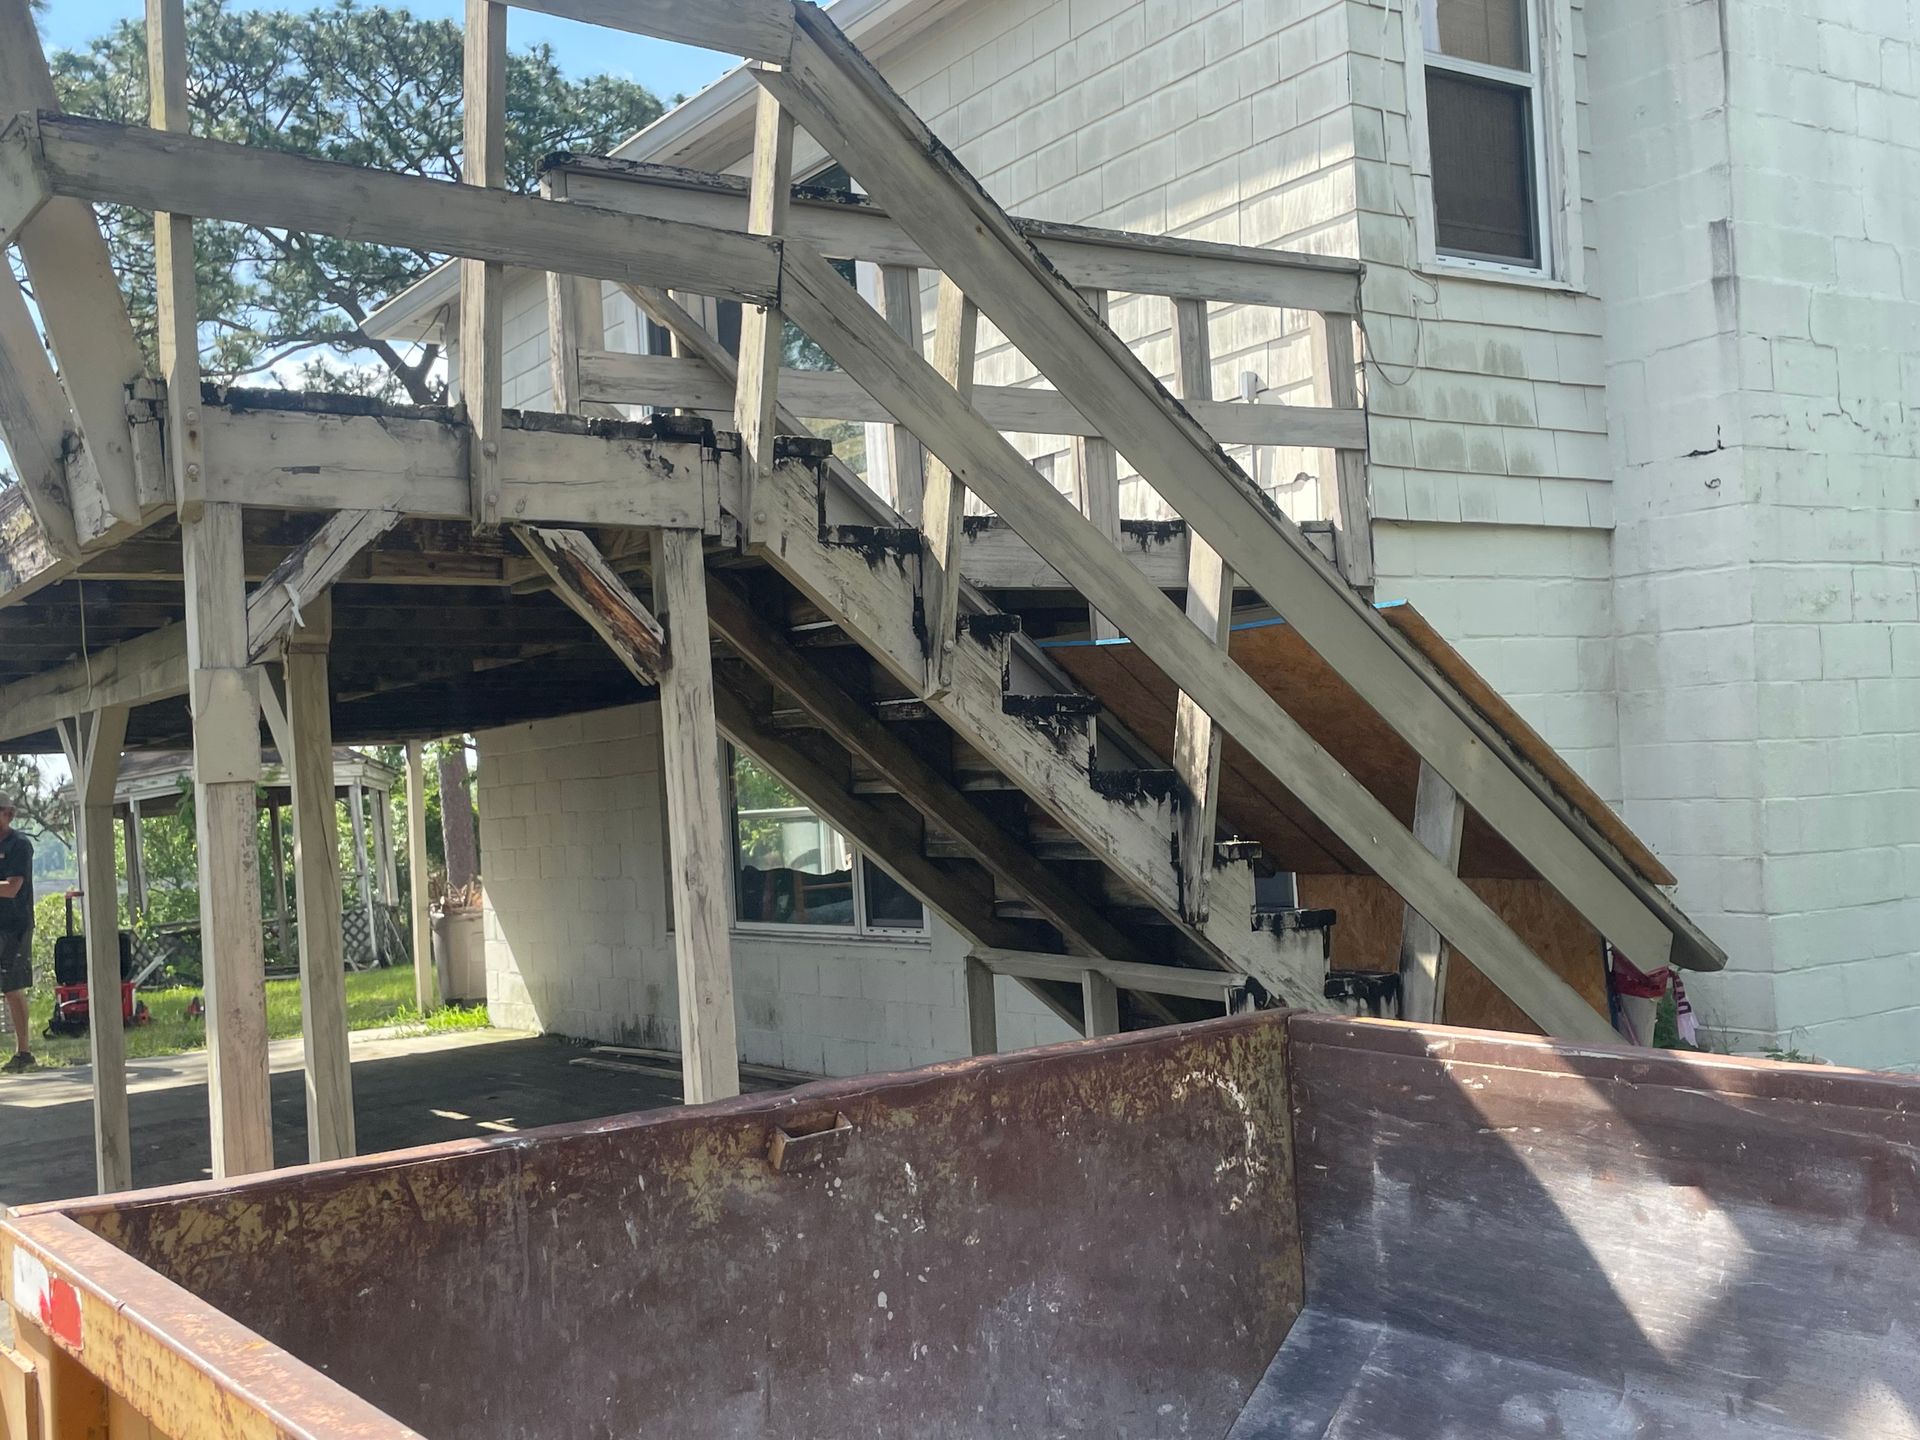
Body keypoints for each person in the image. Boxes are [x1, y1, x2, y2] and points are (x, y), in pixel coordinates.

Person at [0, 792, 35, 1072]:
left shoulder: (19, 845)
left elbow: (12, 888)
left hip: (15, 926)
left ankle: (24, 1051)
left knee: (12, 988)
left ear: (8, 814)